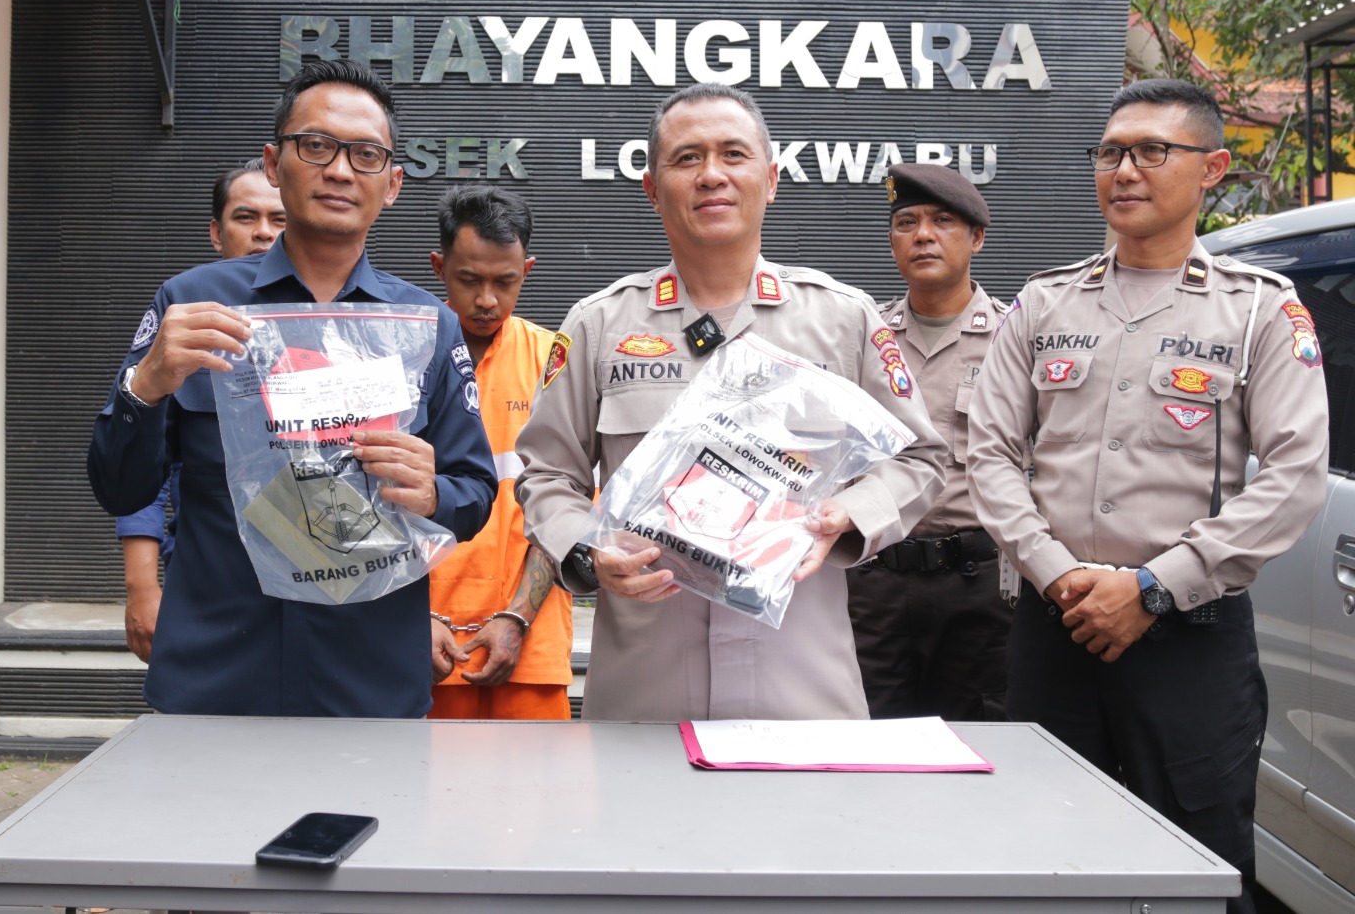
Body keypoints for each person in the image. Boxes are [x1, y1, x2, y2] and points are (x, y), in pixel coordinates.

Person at [967, 78, 1329, 914]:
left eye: (1152, 152)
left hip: (1189, 639)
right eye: (1110, 153)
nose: (1125, 171)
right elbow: (989, 453)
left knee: (1198, 864)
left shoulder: (1258, 312)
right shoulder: (1045, 302)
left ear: (1213, 169)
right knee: (1045, 856)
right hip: (1056, 627)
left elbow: (1294, 474)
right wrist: (1057, 572)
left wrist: (1154, 587)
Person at [515, 82, 946, 722]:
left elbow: (921, 459)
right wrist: (587, 550)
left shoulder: (844, 319)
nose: (711, 174)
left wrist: (849, 515)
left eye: (733, 154)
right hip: (647, 692)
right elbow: (548, 474)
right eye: (687, 158)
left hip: (800, 685)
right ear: (651, 188)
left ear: (770, 180)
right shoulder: (599, 325)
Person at [89, 58, 498, 717]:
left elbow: (475, 492)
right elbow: (120, 488)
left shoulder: (425, 326)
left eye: (365, 154)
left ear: (392, 183)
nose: (340, 170)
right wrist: (147, 386)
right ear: (274, 163)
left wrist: (433, 494)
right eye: (316, 146)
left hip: (369, 682)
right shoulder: (193, 306)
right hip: (216, 677)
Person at [847, 163, 1012, 720]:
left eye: (942, 221)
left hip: (979, 587)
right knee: (867, 738)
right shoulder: (866, 338)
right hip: (875, 583)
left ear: (977, 238)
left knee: (981, 742)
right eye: (906, 223)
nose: (922, 235)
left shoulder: (1016, 338)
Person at [117, 157, 286, 663]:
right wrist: (141, 587)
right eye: (245, 217)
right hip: (209, 586)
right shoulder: (182, 321)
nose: (264, 233)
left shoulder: (344, 323)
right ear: (216, 233)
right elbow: (139, 465)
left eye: (279, 219)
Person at [425, 185, 573, 720]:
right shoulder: (404, 354)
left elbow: (573, 504)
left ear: (527, 271)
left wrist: (518, 618)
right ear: (439, 267)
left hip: (530, 643)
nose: (487, 299)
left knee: (536, 778)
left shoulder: (554, 359)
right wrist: (411, 617)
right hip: (423, 642)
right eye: (469, 280)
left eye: (505, 282)